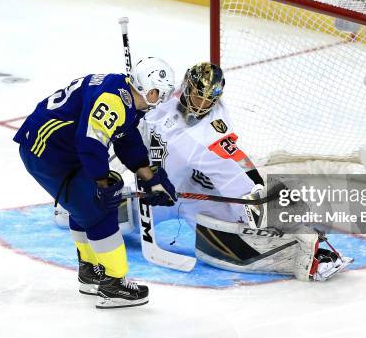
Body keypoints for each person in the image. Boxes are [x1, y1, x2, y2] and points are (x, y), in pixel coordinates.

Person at [138, 62, 353, 281]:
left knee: (249, 212)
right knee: (108, 218)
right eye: (198, 96)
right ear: (186, 87)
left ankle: (311, 252)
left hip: (193, 195)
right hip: (155, 191)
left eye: (209, 99)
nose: (203, 105)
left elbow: (235, 161)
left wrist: (259, 192)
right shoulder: (162, 98)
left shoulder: (213, 124)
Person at [14, 57, 178, 308]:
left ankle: (90, 270)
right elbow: (91, 144)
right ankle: (114, 285)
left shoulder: (124, 94)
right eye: (159, 94)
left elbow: (125, 136)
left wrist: (150, 178)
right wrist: (102, 185)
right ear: (147, 88)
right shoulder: (113, 101)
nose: (160, 101)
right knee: (99, 210)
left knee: (83, 207)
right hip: (47, 150)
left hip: (60, 148)